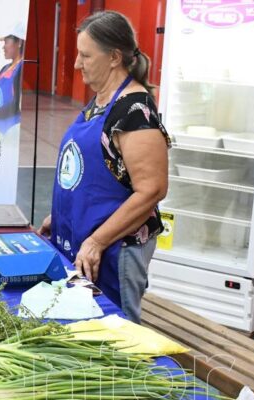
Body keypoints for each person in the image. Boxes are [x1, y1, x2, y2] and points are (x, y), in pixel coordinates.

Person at [37, 11, 170, 323]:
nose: (76, 64)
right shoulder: (99, 101)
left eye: (85, 55)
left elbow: (152, 189)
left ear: (113, 57)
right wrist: (61, 217)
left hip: (114, 251)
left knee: (116, 333)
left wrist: (97, 241)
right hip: (83, 240)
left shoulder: (134, 110)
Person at [0, 24, 25, 134]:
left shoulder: (21, 68)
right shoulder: (4, 68)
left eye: (6, 42)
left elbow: (16, 103)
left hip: (10, 129)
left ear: (19, 43)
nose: (3, 47)